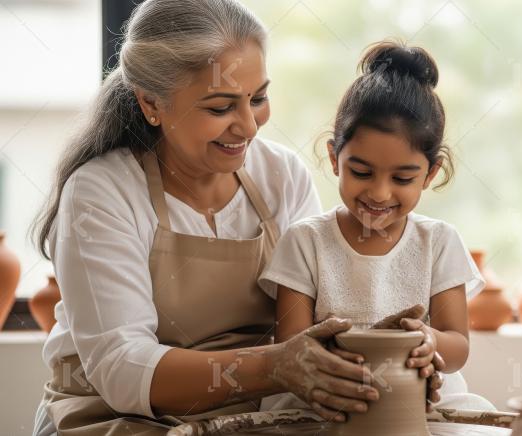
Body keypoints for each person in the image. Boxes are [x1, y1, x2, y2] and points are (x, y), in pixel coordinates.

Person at [30, 2, 440, 435]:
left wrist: (378, 341)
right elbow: (122, 372)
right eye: (220, 107)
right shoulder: (102, 191)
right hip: (116, 416)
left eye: (258, 98)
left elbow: (315, 322)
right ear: (152, 103)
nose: (249, 126)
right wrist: (274, 365)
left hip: (255, 416)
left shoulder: (281, 176)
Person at [261, 40, 495, 412]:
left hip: (420, 397)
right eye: (361, 172)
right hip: (327, 395)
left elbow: (458, 347)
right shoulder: (306, 241)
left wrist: (429, 341)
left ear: (430, 174)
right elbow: (292, 345)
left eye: (402, 178)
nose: (379, 193)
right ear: (334, 158)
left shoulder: (439, 242)